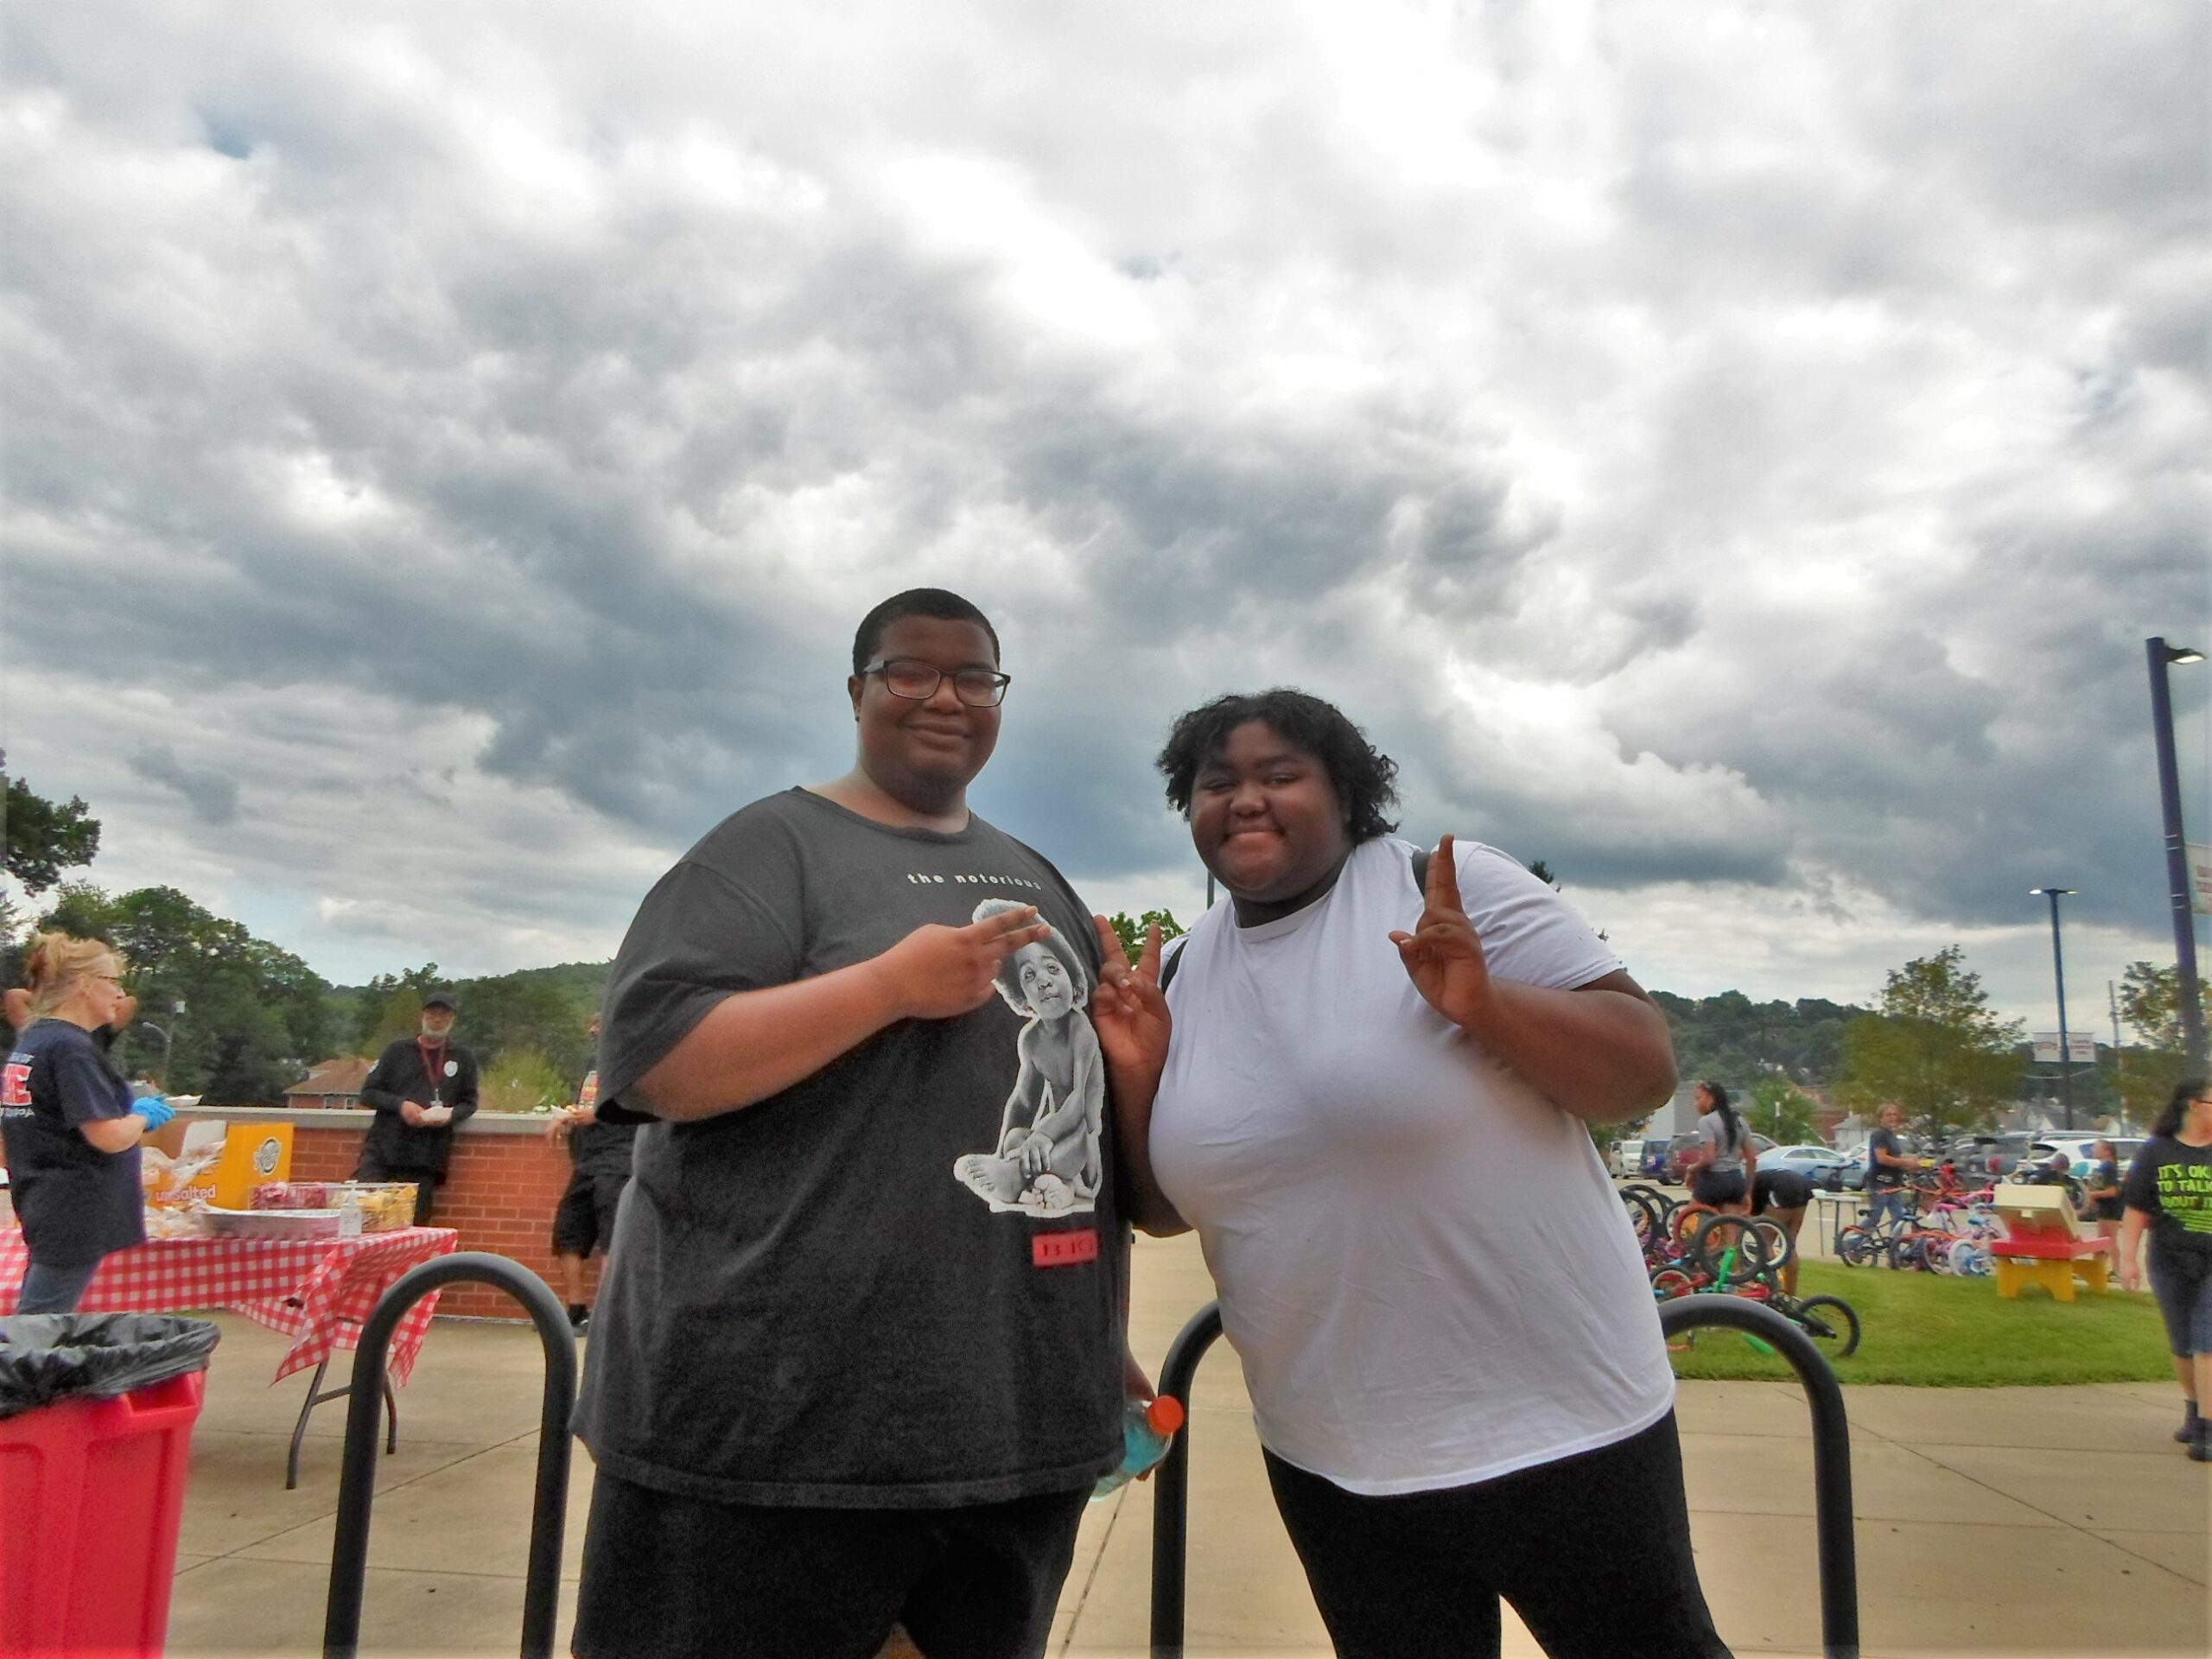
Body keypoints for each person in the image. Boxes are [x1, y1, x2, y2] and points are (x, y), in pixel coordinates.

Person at [1090, 689, 1727, 1659]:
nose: (1244, 800)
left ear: (1346, 794)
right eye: (1217, 783)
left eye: (1279, 775)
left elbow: (1640, 1068)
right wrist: (1137, 1072)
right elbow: (1171, 1209)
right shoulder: (1180, 973)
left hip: (1558, 1427)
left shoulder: (1445, 887)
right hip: (1332, 1459)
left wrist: (1487, 1004)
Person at [569, 589, 1130, 1659]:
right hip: (770, 1440)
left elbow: (1079, 1125)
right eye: (909, 672)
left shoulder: (1034, 875)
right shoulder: (765, 849)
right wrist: (886, 986)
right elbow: (654, 1063)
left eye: (974, 677)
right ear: (857, 690)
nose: (944, 698)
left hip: (1007, 1432)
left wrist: (1086, 1329)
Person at [1, 934, 175, 1313]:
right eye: (112, 982)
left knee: (37, 1319)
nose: (119, 994)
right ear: (83, 985)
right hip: (73, 1209)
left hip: (42, 1199)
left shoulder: (36, 1040)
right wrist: (143, 1115)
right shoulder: (70, 1049)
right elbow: (107, 1136)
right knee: (38, 1330)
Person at [2116, 1080, 2212, 1460]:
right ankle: (2193, 1408)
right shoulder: (2157, 1151)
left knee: (2207, 1342)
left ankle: (2207, 1427)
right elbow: (2136, 1209)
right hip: (2170, 1259)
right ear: (2194, 1105)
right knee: (2183, 1343)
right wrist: (2126, 1259)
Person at [353, 989, 478, 1224]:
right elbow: (368, 1094)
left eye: (444, 1014)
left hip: (425, 1158)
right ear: (422, 1016)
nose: (437, 1019)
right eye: (432, 1013)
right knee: (367, 1218)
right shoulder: (397, 1052)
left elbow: (470, 1103)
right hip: (383, 1151)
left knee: (415, 1227)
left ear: (452, 1020)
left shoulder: (463, 1058)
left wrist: (450, 1115)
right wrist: (401, 1105)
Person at [545, 1015, 635, 1334]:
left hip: (619, 1160)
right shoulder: (591, 1065)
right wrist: (565, 1117)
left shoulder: (631, 1057)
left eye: (599, 1025)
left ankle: (609, 1316)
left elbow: (641, 1103)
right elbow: (582, 1102)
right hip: (586, 1161)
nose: (593, 1031)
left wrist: (596, 1115)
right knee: (568, 1233)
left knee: (613, 1239)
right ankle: (576, 1310)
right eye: (592, 1027)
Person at [1863, 1103, 1929, 1245]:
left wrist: (1914, 1164)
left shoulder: (1892, 1136)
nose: (1892, 1118)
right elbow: (1882, 1158)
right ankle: (1853, 1242)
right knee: (1875, 1216)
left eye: (1894, 1115)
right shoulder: (1879, 1134)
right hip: (1879, 1182)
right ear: (1880, 1118)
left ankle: (1894, 1249)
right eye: (1888, 1115)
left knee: (1899, 1216)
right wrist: (1905, 1162)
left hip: (1894, 1183)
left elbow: (1897, 1160)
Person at [1684, 1081, 1752, 1213]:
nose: (1695, 1103)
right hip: (1735, 1180)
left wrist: (1691, 1170)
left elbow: (1709, 1159)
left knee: (1690, 1224)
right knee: (1730, 1232)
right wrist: (1747, 1191)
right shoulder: (1740, 1121)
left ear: (1711, 1099)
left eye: (1698, 1098)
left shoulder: (1706, 1121)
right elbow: (1752, 1158)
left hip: (1713, 1181)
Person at [1749, 1166, 1814, 1296]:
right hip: (1802, 1188)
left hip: (1781, 1189)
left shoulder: (1748, 1186)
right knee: (1789, 1245)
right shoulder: (1761, 1177)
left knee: (1765, 1242)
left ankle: (1770, 1289)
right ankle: (1790, 1295)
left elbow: (1748, 1216)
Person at [2082, 1140, 2124, 1248]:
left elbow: (2112, 1191)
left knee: (2109, 1241)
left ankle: (2115, 1265)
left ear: (2107, 1152)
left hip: (2110, 1209)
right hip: (2103, 1208)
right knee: (2103, 1240)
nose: (2093, 1149)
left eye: (2096, 1147)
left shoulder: (2109, 1168)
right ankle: (2100, 1263)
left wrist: (2092, 1195)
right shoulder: (2103, 1167)